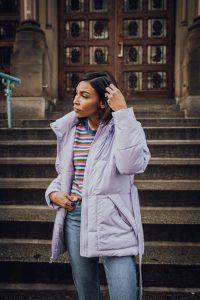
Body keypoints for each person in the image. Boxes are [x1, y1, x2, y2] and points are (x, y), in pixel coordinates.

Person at [45, 72, 151, 300]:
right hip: (76, 216)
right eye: (76, 94)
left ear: (102, 101)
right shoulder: (71, 131)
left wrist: (122, 114)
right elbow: (66, 174)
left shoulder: (126, 127)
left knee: (124, 293)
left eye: (84, 96)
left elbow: (131, 164)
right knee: (86, 291)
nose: (75, 100)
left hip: (114, 218)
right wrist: (53, 192)